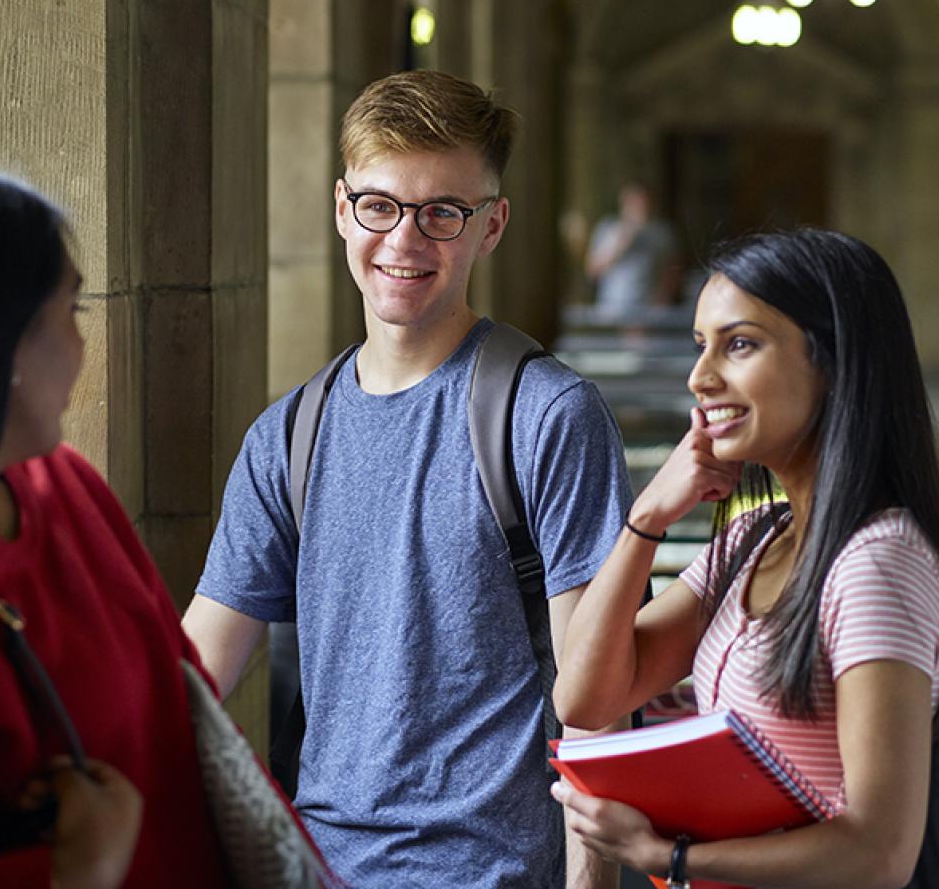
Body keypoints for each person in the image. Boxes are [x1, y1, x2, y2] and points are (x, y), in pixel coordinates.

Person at [184, 70, 635, 888]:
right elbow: (195, 674)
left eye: (442, 214)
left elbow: (596, 702)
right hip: (317, 867)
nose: (403, 241)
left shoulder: (549, 417)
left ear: (491, 225)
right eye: (380, 206)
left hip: (490, 870)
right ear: (341, 208)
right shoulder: (287, 436)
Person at [550, 229, 939, 889]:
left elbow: (879, 852)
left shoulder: (875, 563)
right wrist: (647, 517)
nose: (700, 377)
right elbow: (585, 694)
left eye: (739, 344)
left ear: (833, 362)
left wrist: (669, 858)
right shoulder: (755, 538)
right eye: (701, 346)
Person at [0, 166, 240, 887]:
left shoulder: (70, 485)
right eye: (70, 310)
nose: (81, 346)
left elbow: (199, 732)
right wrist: (63, 872)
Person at [584, 183, 678, 311]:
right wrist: (619, 244)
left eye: (641, 203)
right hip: (611, 307)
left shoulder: (660, 232)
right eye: (633, 203)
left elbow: (672, 270)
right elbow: (592, 271)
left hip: (647, 309)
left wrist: (660, 301)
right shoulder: (608, 227)